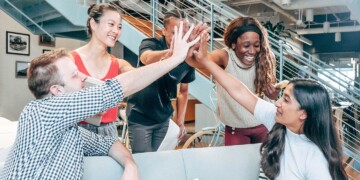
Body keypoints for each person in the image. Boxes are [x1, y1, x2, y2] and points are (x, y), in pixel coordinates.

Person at [0, 21, 200, 179]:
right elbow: (114, 89)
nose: (84, 78)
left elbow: (108, 144)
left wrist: (130, 166)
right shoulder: (41, 112)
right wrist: (175, 58)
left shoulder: (69, 130)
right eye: (75, 75)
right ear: (56, 90)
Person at [192, 35, 348, 179]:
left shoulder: (316, 158)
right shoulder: (277, 121)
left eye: (286, 100)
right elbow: (239, 91)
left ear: (304, 114)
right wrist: (205, 61)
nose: (278, 103)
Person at [126, 9, 208, 153]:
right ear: (164, 31)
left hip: (163, 118)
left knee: (159, 160)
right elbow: (146, 58)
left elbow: (183, 91)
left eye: (183, 34)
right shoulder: (151, 43)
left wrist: (180, 121)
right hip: (141, 116)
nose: (179, 39)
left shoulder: (188, 56)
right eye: (174, 34)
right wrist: (172, 54)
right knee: (144, 162)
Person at [188, 16, 279, 146]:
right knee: (236, 166)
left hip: (264, 125)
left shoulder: (266, 58)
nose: (252, 51)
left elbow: (271, 96)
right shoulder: (224, 56)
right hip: (236, 129)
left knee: (264, 165)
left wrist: (273, 93)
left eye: (256, 45)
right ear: (233, 44)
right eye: (246, 45)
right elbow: (199, 61)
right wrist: (192, 46)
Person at [71, 3, 134, 138]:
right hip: (77, 131)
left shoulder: (119, 64)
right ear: (93, 24)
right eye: (111, 24)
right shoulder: (70, 60)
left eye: (119, 27)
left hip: (109, 132)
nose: (116, 31)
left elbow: (140, 77)